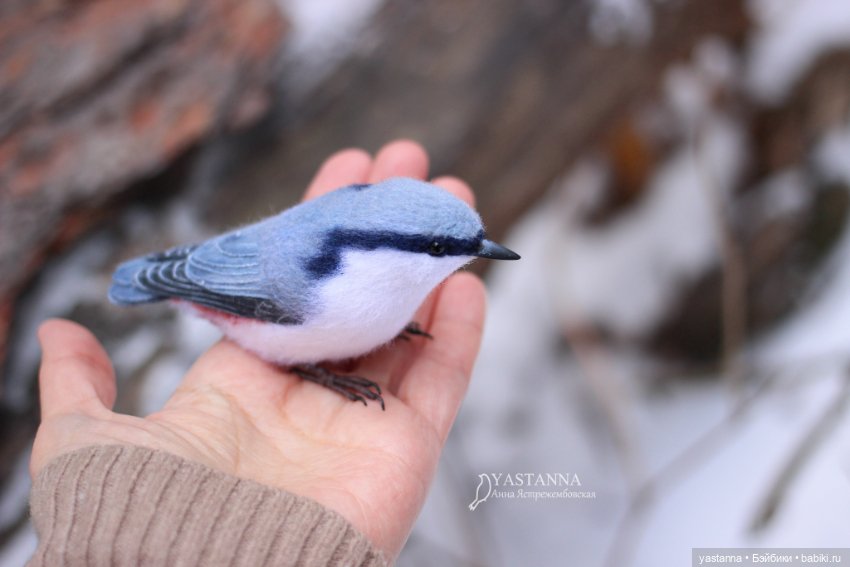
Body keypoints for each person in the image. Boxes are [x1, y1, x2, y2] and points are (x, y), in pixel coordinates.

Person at [28, 140, 487, 566]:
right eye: (439, 248)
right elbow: (249, 273)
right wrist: (323, 373)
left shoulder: (380, 272)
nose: (470, 254)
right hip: (238, 288)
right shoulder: (337, 287)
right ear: (388, 246)